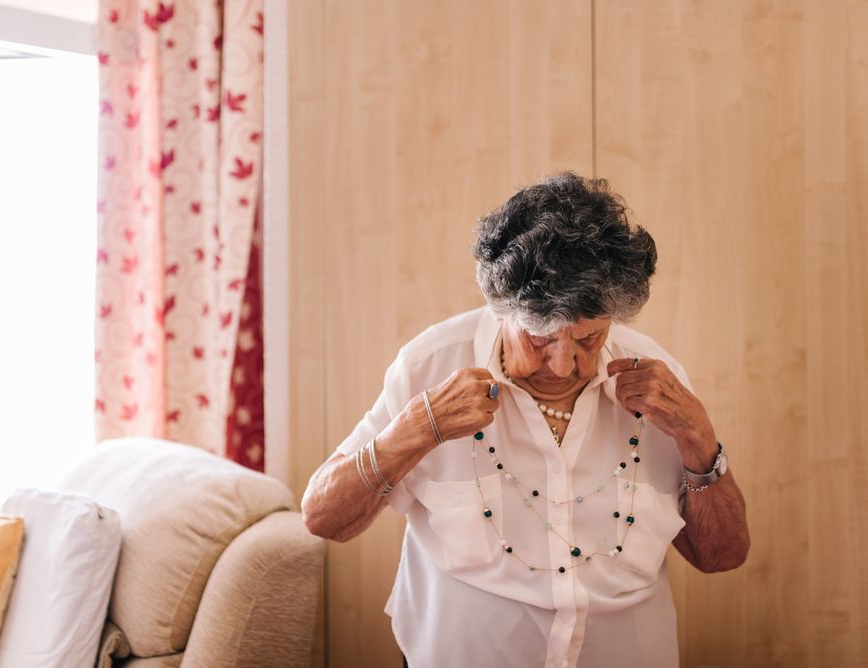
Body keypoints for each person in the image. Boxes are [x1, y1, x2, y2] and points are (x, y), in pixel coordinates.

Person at [301, 172, 750, 668]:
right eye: (540, 338)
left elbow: (721, 557)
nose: (564, 365)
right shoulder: (429, 365)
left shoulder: (657, 379)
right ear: (501, 310)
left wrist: (699, 440)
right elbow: (322, 517)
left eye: (587, 340)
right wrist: (416, 430)